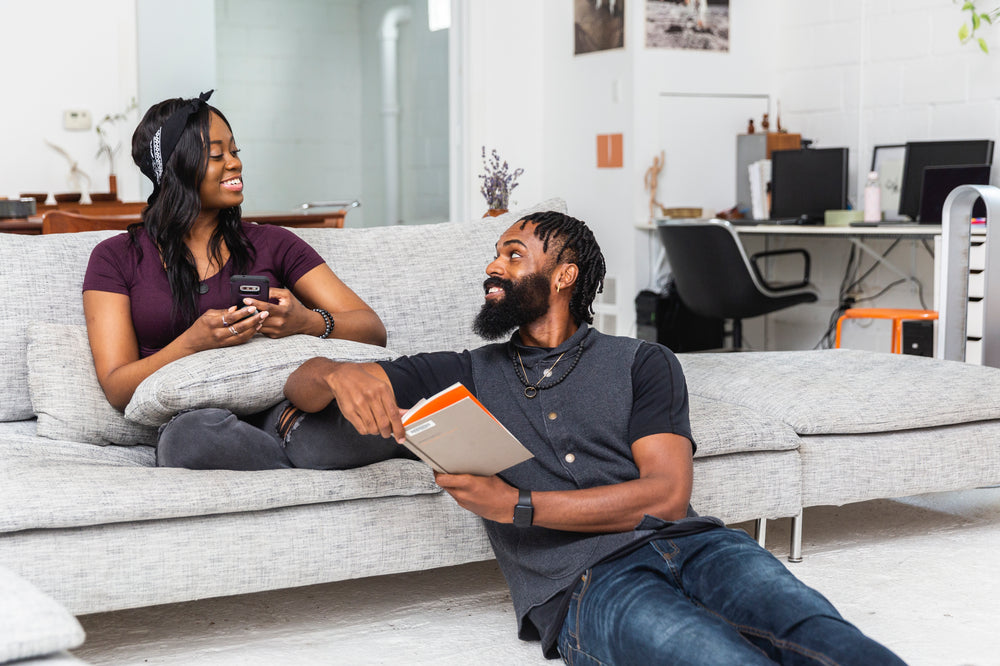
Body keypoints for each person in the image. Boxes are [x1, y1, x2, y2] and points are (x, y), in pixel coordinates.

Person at [281, 211, 906, 664]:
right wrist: (337, 371)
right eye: (495, 254)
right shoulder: (466, 372)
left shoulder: (643, 362)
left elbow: (664, 495)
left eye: (514, 254)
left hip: (697, 546)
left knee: (827, 638)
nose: (493, 267)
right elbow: (298, 388)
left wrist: (517, 506)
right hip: (586, 586)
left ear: (564, 276)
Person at [82, 90, 386, 469]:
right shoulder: (116, 258)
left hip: (282, 408)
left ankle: (292, 456)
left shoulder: (274, 242)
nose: (234, 164)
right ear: (176, 167)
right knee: (191, 440)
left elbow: (372, 329)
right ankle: (300, 461)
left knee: (341, 429)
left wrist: (307, 322)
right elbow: (116, 386)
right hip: (192, 418)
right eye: (216, 155)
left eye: (235, 152)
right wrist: (192, 343)